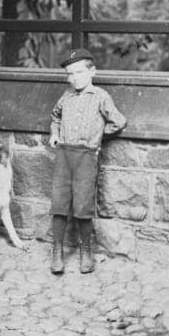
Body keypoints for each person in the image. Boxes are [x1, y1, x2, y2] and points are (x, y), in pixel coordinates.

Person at [48, 47, 127, 275]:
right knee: (59, 203)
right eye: (69, 74)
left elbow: (119, 122)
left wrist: (98, 136)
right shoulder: (66, 96)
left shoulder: (101, 96)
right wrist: (55, 134)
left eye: (79, 73)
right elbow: (55, 117)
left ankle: (86, 252)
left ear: (92, 72)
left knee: (82, 206)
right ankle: (57, 252)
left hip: (86, 156)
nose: (74, 78)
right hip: (64, 154)